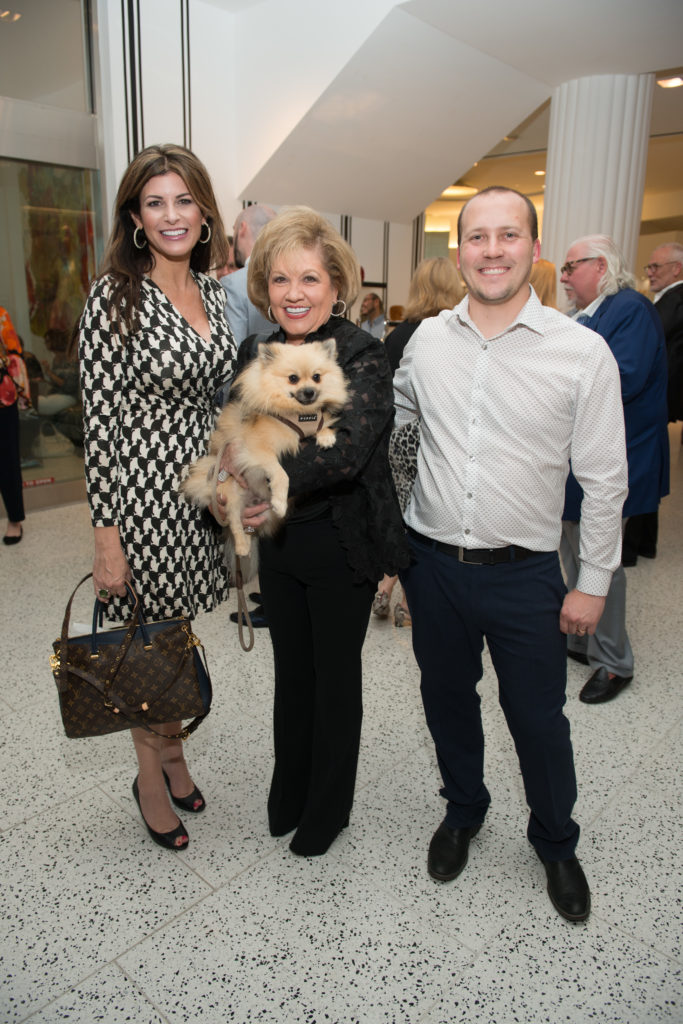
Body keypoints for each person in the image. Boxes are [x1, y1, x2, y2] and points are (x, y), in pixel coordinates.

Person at [394, 186, 628, 923]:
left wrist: (591, 583)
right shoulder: (426, 340)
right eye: (476, 236)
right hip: (433, 567)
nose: (491, 250)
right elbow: (397, 431)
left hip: (526, 574)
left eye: (508, 235)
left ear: (533, 247)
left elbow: (604, 480)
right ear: (457, 249)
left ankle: (555, 841)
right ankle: (463, 808)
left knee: (536, 718)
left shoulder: (580, 352)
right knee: (445, 701)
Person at [222, 205, 408, 857]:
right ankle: (289, 790)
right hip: (278, 542)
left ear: (335, 284)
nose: (293, 293)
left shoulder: (361, 351)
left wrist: (264, 478)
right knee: (290, 676)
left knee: (334, 681)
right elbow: (237, 431)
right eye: (278, 280)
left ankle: (328, 807)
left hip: (341, 540)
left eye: (307, 279)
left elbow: (346, 451)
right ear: (263, 288)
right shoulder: (254, 349)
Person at [79, 143, 236, 851]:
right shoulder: (116, 294)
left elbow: (220, 400)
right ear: (136, 217)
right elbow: (100, 423)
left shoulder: (214, 292)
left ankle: (173, 752)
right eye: (155, 202)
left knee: (176, 640)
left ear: (203, 211)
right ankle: (150, 774)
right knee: (150, 646)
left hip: (197, 502)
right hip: (140, 502)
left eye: (183, 200)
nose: (171, 215)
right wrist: (106, 537)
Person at [559, 235, 669, 703]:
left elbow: (620, 377)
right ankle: (584, 637)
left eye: (571, 267)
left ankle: (614, 661)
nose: (563, 277)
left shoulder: (630, 309)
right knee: (573, 548)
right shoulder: (585, 314)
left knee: (600, 558)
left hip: (618, 456)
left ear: (600, 265)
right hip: (575, 457)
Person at [374, 257, 464, 627]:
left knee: (401, 520)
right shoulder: (455, 335)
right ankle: (408, 606)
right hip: (436, 446)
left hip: (396, 443)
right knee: (422, 527)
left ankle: (384, 585)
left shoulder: (398, 335)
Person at [623, 244, 683, 563]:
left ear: (677, 269)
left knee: (644, 467)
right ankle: (645, 541)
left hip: (657, 397)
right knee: (651, 465)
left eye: (657, 267)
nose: (650, 273)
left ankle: (634, 544)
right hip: (660, 396)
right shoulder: (662, 301)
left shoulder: (677, 299)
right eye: (648, 267)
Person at [220, 204, 276, 344]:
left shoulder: (232, 284)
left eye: (234, 230)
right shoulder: (289, 280)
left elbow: (234, 353)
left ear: (242, 228)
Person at [0, 306, 27, 544]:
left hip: (2, 399)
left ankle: (14, 520)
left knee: (7, 462)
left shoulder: (0, 315)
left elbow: (15, 354)